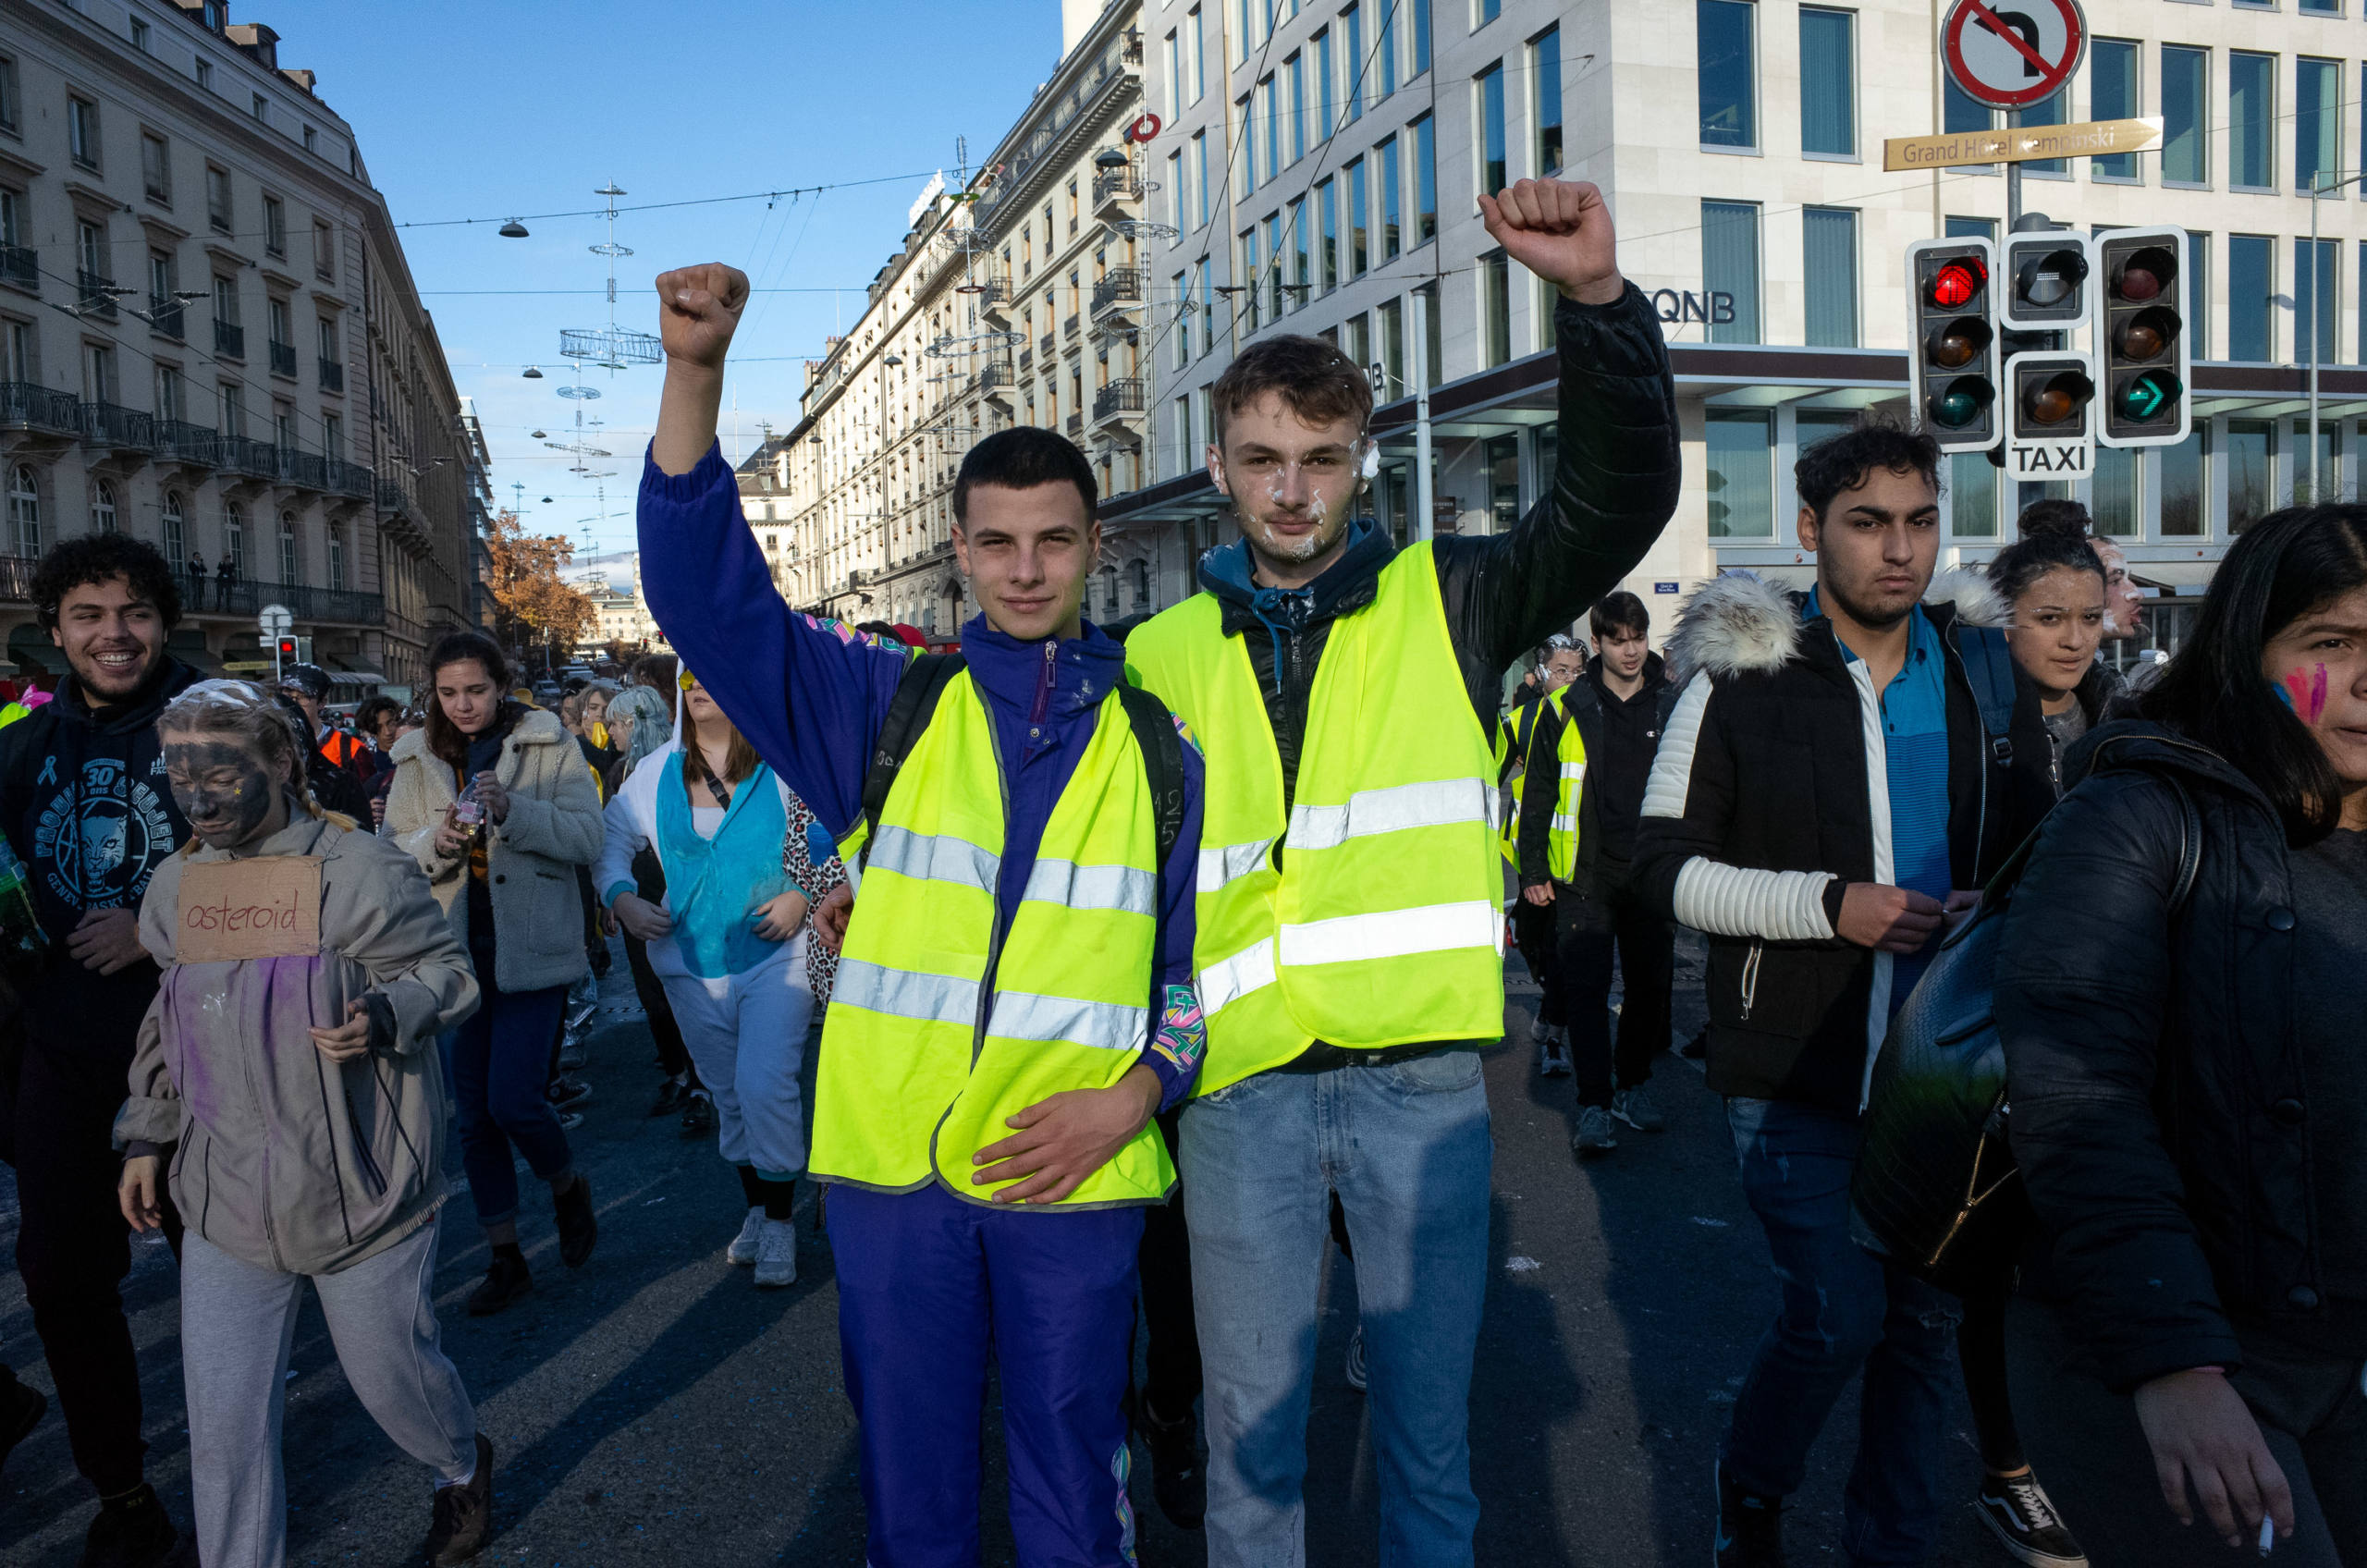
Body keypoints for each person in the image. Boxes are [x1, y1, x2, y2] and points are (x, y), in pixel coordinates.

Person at [1121, 177, 1678, 1562]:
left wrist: (1598, 303)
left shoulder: (1458, 596)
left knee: (1430, 1457)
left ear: (1363, 463)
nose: (1292, 488)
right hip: (1239, 1092)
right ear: (1220, 467)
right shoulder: (1157, 654)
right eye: (1263, 458)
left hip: (1423, 1091)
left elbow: (1620, 498)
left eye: (1320, 456)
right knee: (1257, 1463)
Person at [642, 259, 1208, 1568]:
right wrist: (695, 372)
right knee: (913, 1497)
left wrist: (1141, 1095)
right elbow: (704, 598)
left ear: (1093, 547)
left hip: (1079, 1173)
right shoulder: (881, 708)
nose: (1025, 568)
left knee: (1074, 1482)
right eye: (997, 542)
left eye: (1054, 539)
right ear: (960, 551)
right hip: (897, 1177)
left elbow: (1185, 979)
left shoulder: (1158, 745)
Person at [1634, 422, 2056, 1568]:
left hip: (1943, 1072)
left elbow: (2028, 848)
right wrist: (1832, 904)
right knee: (1836, 1315)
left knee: (1922, 1333)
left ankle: (1893, 1547)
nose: (1900, 550)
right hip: (1793, 1066)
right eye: (1869, 523)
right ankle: (1754, 1486)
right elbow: (1662, 869)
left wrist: (1998, 905)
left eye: (1921, 521)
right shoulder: (1740, 673)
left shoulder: (1978, 668)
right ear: (1814, 530)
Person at [1994, 505, 2367, 1568]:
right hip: (2169, 1354)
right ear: (2250, 655)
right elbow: (2075, 1101)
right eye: (2329, 646)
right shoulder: (2142, 817)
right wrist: (2172, 1366)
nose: (2362, 679)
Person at [113, 680, 492, 1568]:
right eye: (178, 775)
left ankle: (458, 1465)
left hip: (361, 1190)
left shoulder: (358, 870)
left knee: (393, 1382)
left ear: (282, 763)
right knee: (224, 1423)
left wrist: (390, 1013)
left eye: (222, 772)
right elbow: (170, 1017)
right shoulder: (175, 887)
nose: (198, 798)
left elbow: (449, 972)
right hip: (225, 1198)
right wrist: (146, 1132)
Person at [0, 535, 197, 1565]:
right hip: (64, 1052)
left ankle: (240, 1463)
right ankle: (123, 1491)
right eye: (88, 615)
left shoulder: (222, 724)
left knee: (227, 1276)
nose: (112, 634)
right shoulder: (22, 751)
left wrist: (154, 926)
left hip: (209, 1055)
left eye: (132, 613)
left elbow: (309, 879)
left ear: (161, 621)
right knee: (61, 1277)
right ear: (59, 628)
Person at [385, 631, 603, 1316]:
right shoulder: (416, 757)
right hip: (453, 958)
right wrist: (438, 842)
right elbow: (394, 853)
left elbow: (587, 838)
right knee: (473, 1118)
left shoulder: (545, 742)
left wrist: (516, 811)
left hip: (533, 952)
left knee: (515, 1100)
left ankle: (566, 1183)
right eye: (448, 694)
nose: (463, 705)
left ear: (499, 684)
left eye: (475, 690)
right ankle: (504, 1255)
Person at [595, 669, 818, 1288]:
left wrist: (802, 893)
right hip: (689, 963)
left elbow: (835, 833)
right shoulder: (653, 775)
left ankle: (779, 1222)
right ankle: (757, 1207)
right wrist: (622, 898)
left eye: (713, 672)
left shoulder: (787, 761)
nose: (698, 686)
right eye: (687, 675)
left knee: (764, 1082)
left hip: (779, 957)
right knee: (727, 1092)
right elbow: (609, 845)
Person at [1518, 590, 1679, 1158]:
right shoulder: (1566, 706)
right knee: (1585, 992)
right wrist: (1532, 869)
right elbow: (1536, 793)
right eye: (1619, 640)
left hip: (1653, 873)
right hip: (1585, 874)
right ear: (1597, 643)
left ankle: (1630, 1087)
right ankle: (1593, 1102)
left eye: (1638, 637)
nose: (1631, 650)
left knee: (1649, 989)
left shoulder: (1672, 703)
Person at [601, 680, 714, 1131]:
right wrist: (616, 897)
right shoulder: (628, 774)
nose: (608, 731)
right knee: (656, 996)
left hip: (690, 903)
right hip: (644, 905)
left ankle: (703, 1081)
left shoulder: (672, 766)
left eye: (614, 722)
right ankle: (682, 1073)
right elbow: (610, 839)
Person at [1992, 516, 2113, 802]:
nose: (2074, 641)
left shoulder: (2127, 719)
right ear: (2001, 619)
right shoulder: (1967, 727)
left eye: (2090, 617)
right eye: (2050, 618)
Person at [1511, 636, 1585, 1078]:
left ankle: (1556, 1034)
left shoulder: (1591, 714)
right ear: (1539, 676)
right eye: (1561, 671)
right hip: (1529, 862)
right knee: (1535, 947)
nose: (1570, 679)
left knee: (1567, 959)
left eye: (1577, 671)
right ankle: (1552, 1010)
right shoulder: (1520, 722)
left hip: (1576, 868)